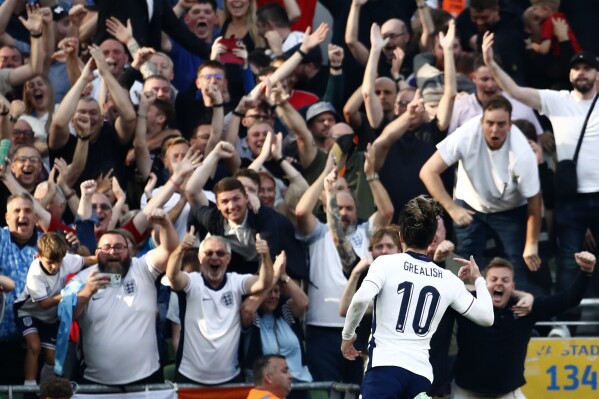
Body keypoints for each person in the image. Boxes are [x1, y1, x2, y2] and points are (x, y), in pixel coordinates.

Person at [481, 33, 599, 301]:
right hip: (571, 198)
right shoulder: (557, 100)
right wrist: (491, 63)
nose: (581, 73)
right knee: (569, 263)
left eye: (587, 69)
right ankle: (565, 324)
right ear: (569, 75)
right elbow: (514, 91)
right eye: (576, 68)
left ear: (596, 74)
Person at [341, 195, 494, 399]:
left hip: (385, 370)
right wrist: (478, 280)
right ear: (432, 239)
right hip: (420, 376)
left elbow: (360, 300)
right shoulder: (448, 279)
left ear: (401, 236)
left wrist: (347, 336)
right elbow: (487, 317)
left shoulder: (385, 264)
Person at [420, 96, 543, 293]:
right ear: (481, 121)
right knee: (463, 265)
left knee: (515, 267)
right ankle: (464, 319)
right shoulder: (466, 134)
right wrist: (451, 208)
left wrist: (531, 244)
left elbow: (535, 201)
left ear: (510, 125)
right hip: (469, 205)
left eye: (501, 124)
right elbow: (428, 171)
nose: (495, 130)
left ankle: (514, 319)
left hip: (510, 210)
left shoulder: (522, 152)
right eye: (490, 123)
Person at [452, 253, 596, 399]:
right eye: (493, 279)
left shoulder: (525, 309)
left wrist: (586, 271)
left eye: (505, 280)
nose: (499, 283)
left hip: (508, 394)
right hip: (466, 393)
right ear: (482, 284)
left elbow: (568, 299)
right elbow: (446, 292)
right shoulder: (469, 305)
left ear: (513, 286)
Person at [70, 209, 177, 385]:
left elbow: (171, 249)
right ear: (97, 253)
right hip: (96, 382)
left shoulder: (142, 268)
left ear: (129, 251)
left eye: (119, 247)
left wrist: (165, 223)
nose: (113, 252)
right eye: (106, 248)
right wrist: (88, 292)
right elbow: (66, 316)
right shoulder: (81, 278)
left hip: (146, 379)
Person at [165, 229, 274, 385]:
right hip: (189, 378)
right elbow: (173, 277)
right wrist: (181, 249)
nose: (214, 257)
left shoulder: (236, 282)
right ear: (200, 257)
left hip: (230, 378)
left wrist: (265, 256)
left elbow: (264, 283)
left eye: (220, 253)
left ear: (228, 259)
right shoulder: (192, 282)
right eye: (208, 253)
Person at [14, 232, 93, 386]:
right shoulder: (35, 273)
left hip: (50, 317)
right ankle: (28, 389)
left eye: (58, 261)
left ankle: (46, 392)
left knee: (52, 358)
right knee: (34, 346)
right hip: (28, 312)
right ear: (38, 256)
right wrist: (66, 294)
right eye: (50, 262)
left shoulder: (66, 259)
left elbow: (87, 260)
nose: (55, 266)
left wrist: (106, 258)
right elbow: (44, 304)